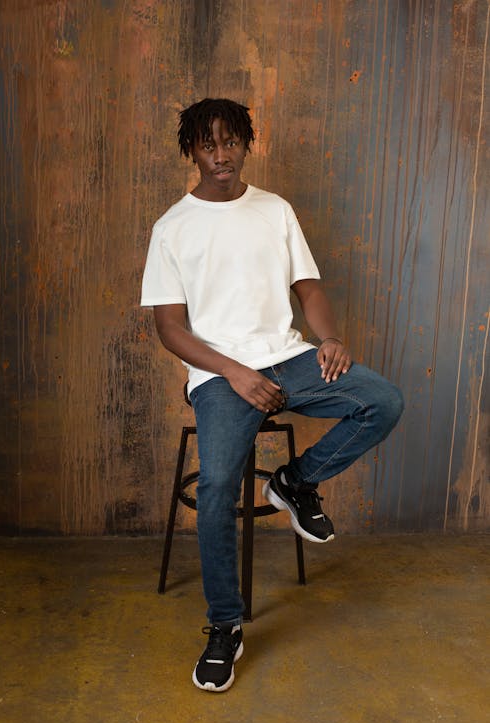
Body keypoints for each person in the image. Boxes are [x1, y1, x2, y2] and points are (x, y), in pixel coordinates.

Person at [141, 98, 404, 692]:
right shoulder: (172, 228)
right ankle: (224, 626)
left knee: (382, 400)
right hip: (220, 377)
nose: (221, 155)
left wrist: (329, 337)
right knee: (215, 490)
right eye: (208, 145)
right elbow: (170, 329)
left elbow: (306, 287)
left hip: (288, 358)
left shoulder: (274, 210)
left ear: (246, 144)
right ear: (192, 151)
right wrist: (233, 373)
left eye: (230, 142)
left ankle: (294, 481)